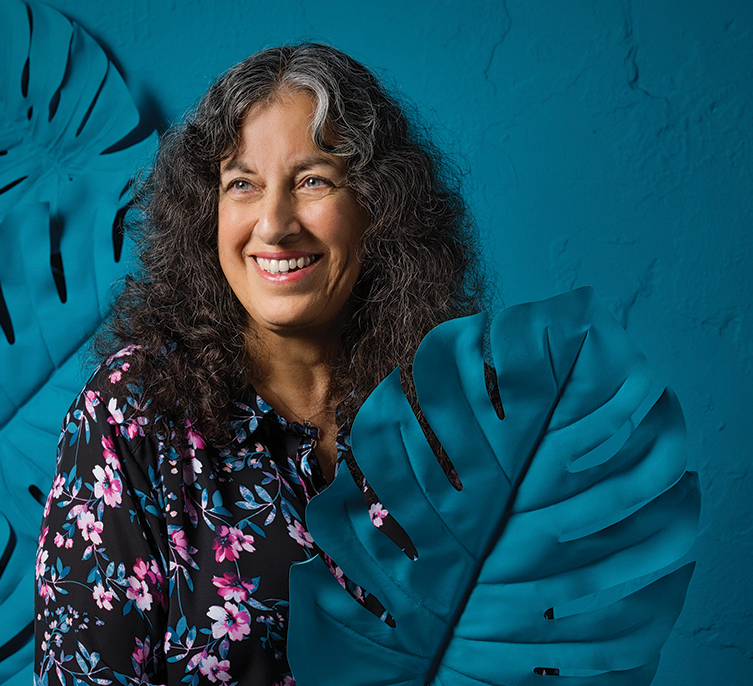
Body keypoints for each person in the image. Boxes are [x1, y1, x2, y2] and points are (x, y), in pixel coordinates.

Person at [34, 42, 490, 685]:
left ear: (379, 207)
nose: (274, 225)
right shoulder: (135, 412)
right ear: (207, 213)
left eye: (312, 181)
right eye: (242, 184)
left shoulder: (454, 414)